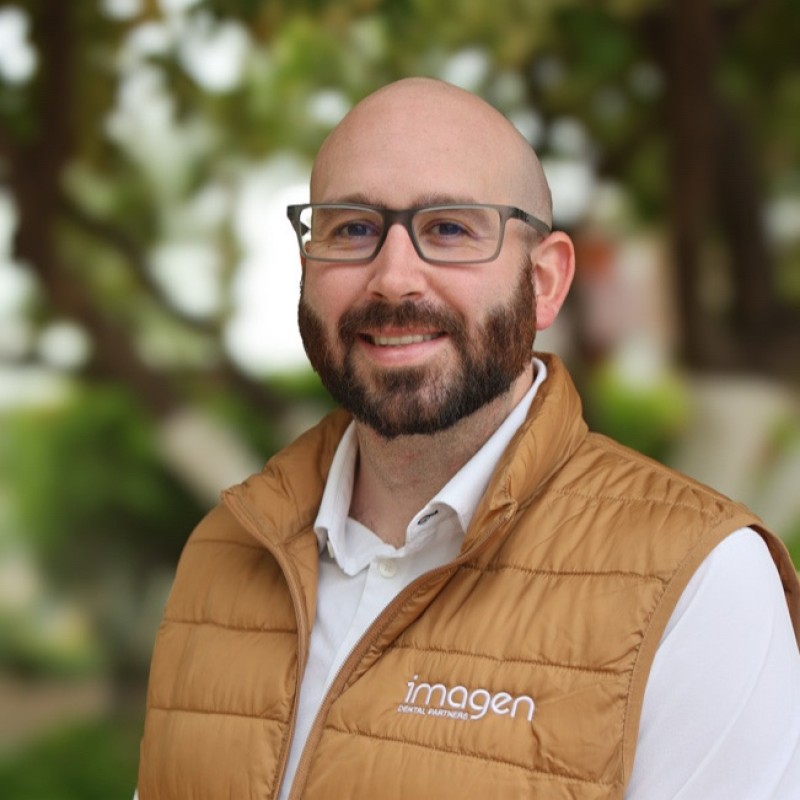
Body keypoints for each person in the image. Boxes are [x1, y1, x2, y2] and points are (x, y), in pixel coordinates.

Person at [136, 78, 800, 799]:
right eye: (352, 228)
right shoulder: (223, 550)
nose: (392, 279)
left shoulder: (703, 580)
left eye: (450, 229)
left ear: (544, 281)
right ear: (307, 267)